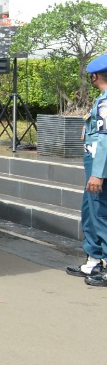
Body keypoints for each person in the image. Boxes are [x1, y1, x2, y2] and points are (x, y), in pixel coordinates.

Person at [73, 55, 107, 283]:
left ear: (95, 76)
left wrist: (97, 173)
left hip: (100, 164)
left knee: (101, 215)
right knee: (91, 213)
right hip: (93, 161)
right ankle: (93, 261)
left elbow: (104, 139)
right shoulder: (101, 100)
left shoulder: (105, 103)